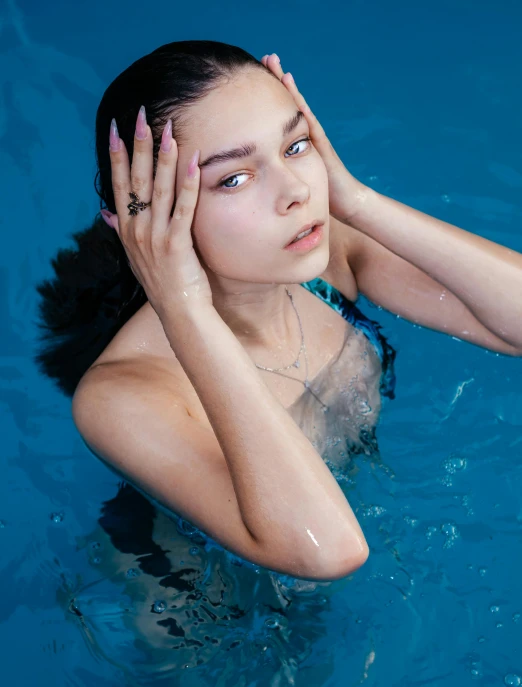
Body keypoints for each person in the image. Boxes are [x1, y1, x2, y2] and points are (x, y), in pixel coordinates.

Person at [35, 40, 522, 584]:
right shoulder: (123, 396)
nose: (295, 192)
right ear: (144, 221)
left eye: (294, 146)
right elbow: (329, 552)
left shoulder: (327, 257)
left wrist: (356, 200)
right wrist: (184, 309)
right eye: (234, 178)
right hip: (195, 597)